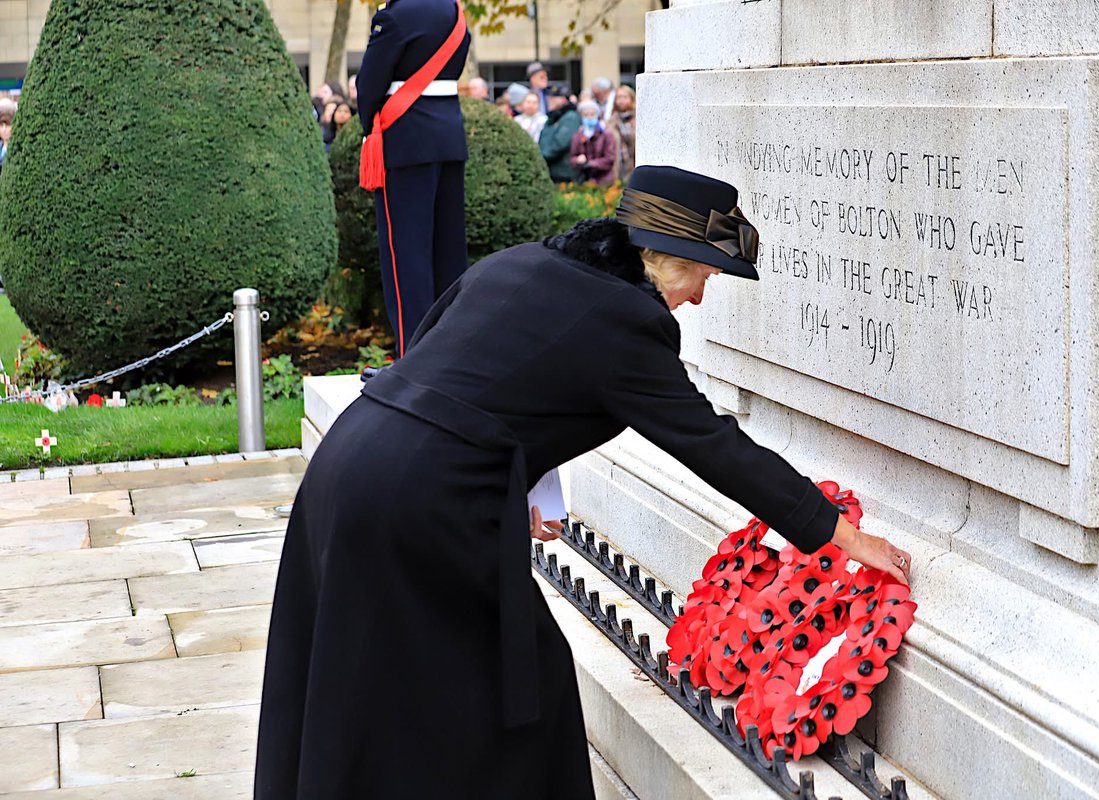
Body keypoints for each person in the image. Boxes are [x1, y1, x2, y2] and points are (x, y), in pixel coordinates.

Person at [254, 165, 913, 798]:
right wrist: (840, 536)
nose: (701, 297)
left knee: (371, 677)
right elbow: (713, 445)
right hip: (425, 502)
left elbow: (455, 367)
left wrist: (529, 486)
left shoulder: (528, 264)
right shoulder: (629, 323)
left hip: (353, 461)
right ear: (664, 256)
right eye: (705, 273)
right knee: (507, 696)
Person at [352, 0, 471, 356]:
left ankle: (414, 357)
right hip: (448, 136)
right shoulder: (453, 10)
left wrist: (368, 125)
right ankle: (451, 352)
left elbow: (368, 85)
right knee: (449, 252)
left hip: (405, 139)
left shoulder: (395, 15)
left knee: (407, 256)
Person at [538, 85, 580, 184]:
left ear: (563, 99)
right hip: (552, 171)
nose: (549, 101)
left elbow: (560, 144)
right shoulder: (553, 117)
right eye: (549, 98)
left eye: (553, 98)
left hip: (563, 173)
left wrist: (540, 157)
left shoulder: (570, 117)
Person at [569, 99, 615, 185]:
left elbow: (610, 159)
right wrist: (578, 160)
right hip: (583, 180)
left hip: (603, 180)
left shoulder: (606, 134)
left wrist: (590, 164)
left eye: (592, 114)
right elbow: (572, 158)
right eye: (586, 115)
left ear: (597, 115)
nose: (589, 117)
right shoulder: (577, 135)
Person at [608, 84, 636, 184]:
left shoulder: (638, 119)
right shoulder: (611, 121)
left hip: (633, 165)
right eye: (619, 97)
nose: (621, 100)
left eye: (625, 97)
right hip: (617, 166)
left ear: (631, 99)